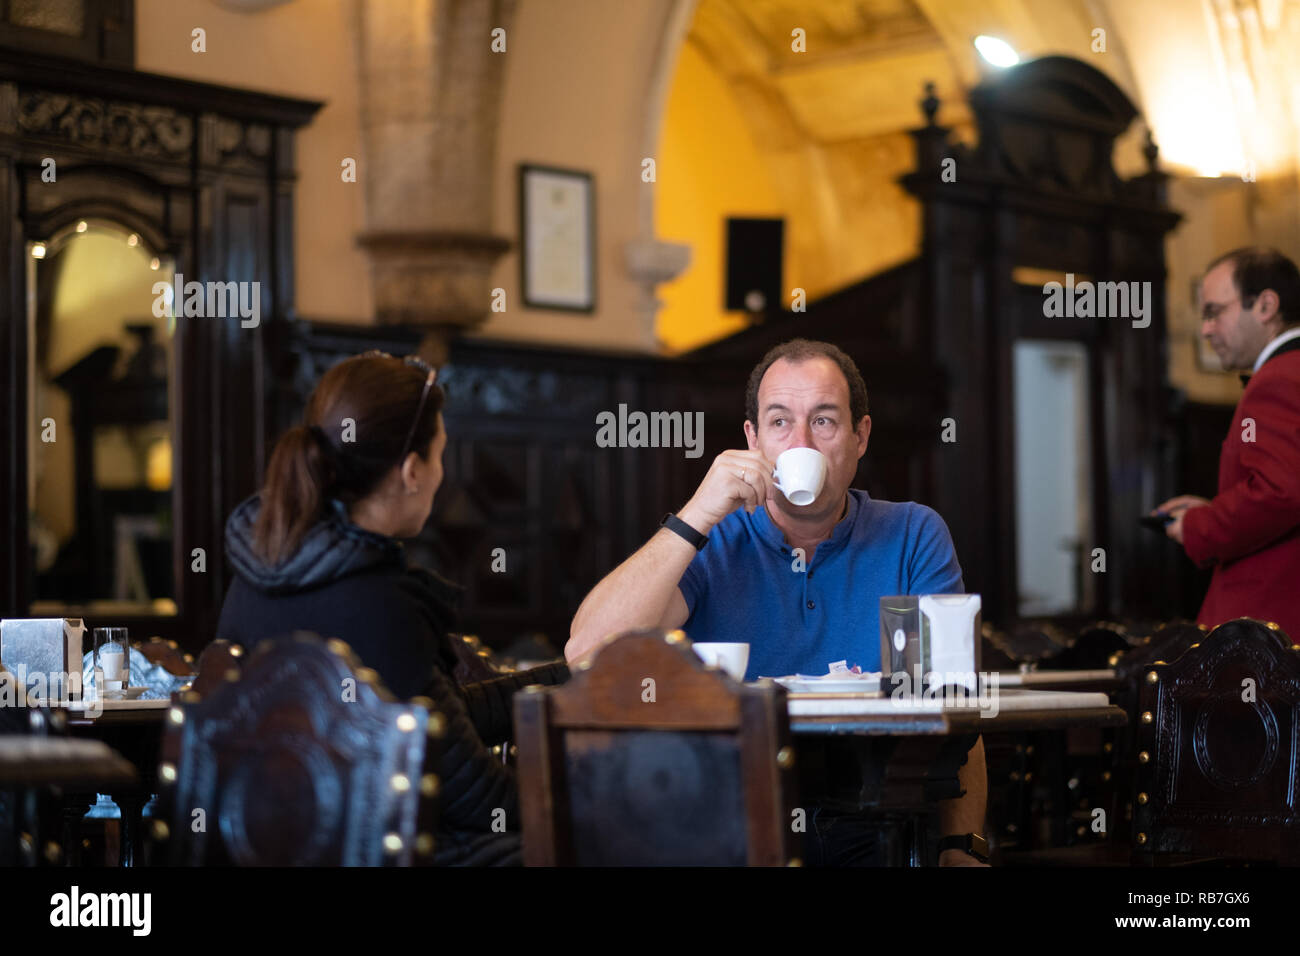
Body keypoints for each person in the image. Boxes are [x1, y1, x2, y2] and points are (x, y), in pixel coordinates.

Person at [566, 338, 987, 866]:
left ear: (861, 437)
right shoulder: (709, 541)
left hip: (879, 820)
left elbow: (953, 710)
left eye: (825, 421)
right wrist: (696, 514)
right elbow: (586, 654)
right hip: (725, 827)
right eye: (780, 422)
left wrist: (960, 849)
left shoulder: (911, 535)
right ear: (753, 439)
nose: (800, 444)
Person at [215, 351, 567, 866]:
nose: (443, 474)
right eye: (441, 455)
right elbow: (478, 800)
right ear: (410, 472)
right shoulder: (379, 601)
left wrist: (571, 677)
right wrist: (587, 802)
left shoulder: (260, 575)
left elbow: (439, 722)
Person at [1155, 247, 1300, 639]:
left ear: (1266, 305)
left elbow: (1280, 492)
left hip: (1268, 635)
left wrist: (1198, 524)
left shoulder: (1278, 378)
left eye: (1214, 312)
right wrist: (1218, 509)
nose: (1205, 329)